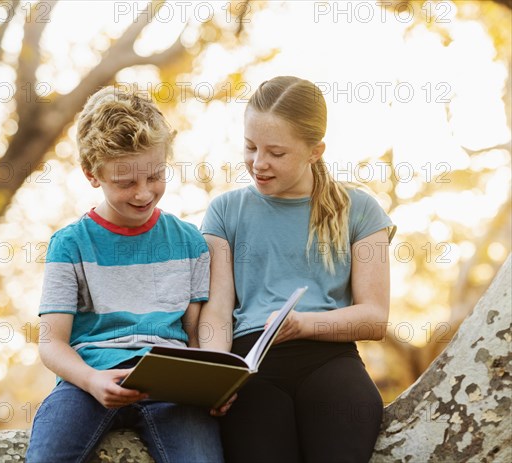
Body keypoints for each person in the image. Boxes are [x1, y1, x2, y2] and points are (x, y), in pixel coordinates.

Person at [199, 76, 396, 463]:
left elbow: (374, 318)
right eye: (250, 147)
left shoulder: (360, 210)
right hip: (250, 364)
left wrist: (304, 324)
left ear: (314, 151)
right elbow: (218, 308)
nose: (259, 163)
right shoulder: (224, 212)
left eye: (276, 152)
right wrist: (216, 377)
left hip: (330, 358)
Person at [26, 87, 224, 463]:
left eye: (155, 176)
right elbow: (52, 343)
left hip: (171, 387)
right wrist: (90, 380)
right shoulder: (70, 244)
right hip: (88, 381)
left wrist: (212, 385)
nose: (144, 193)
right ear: (91, 175)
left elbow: (196, 334)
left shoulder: (189, 242)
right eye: (126, 183)